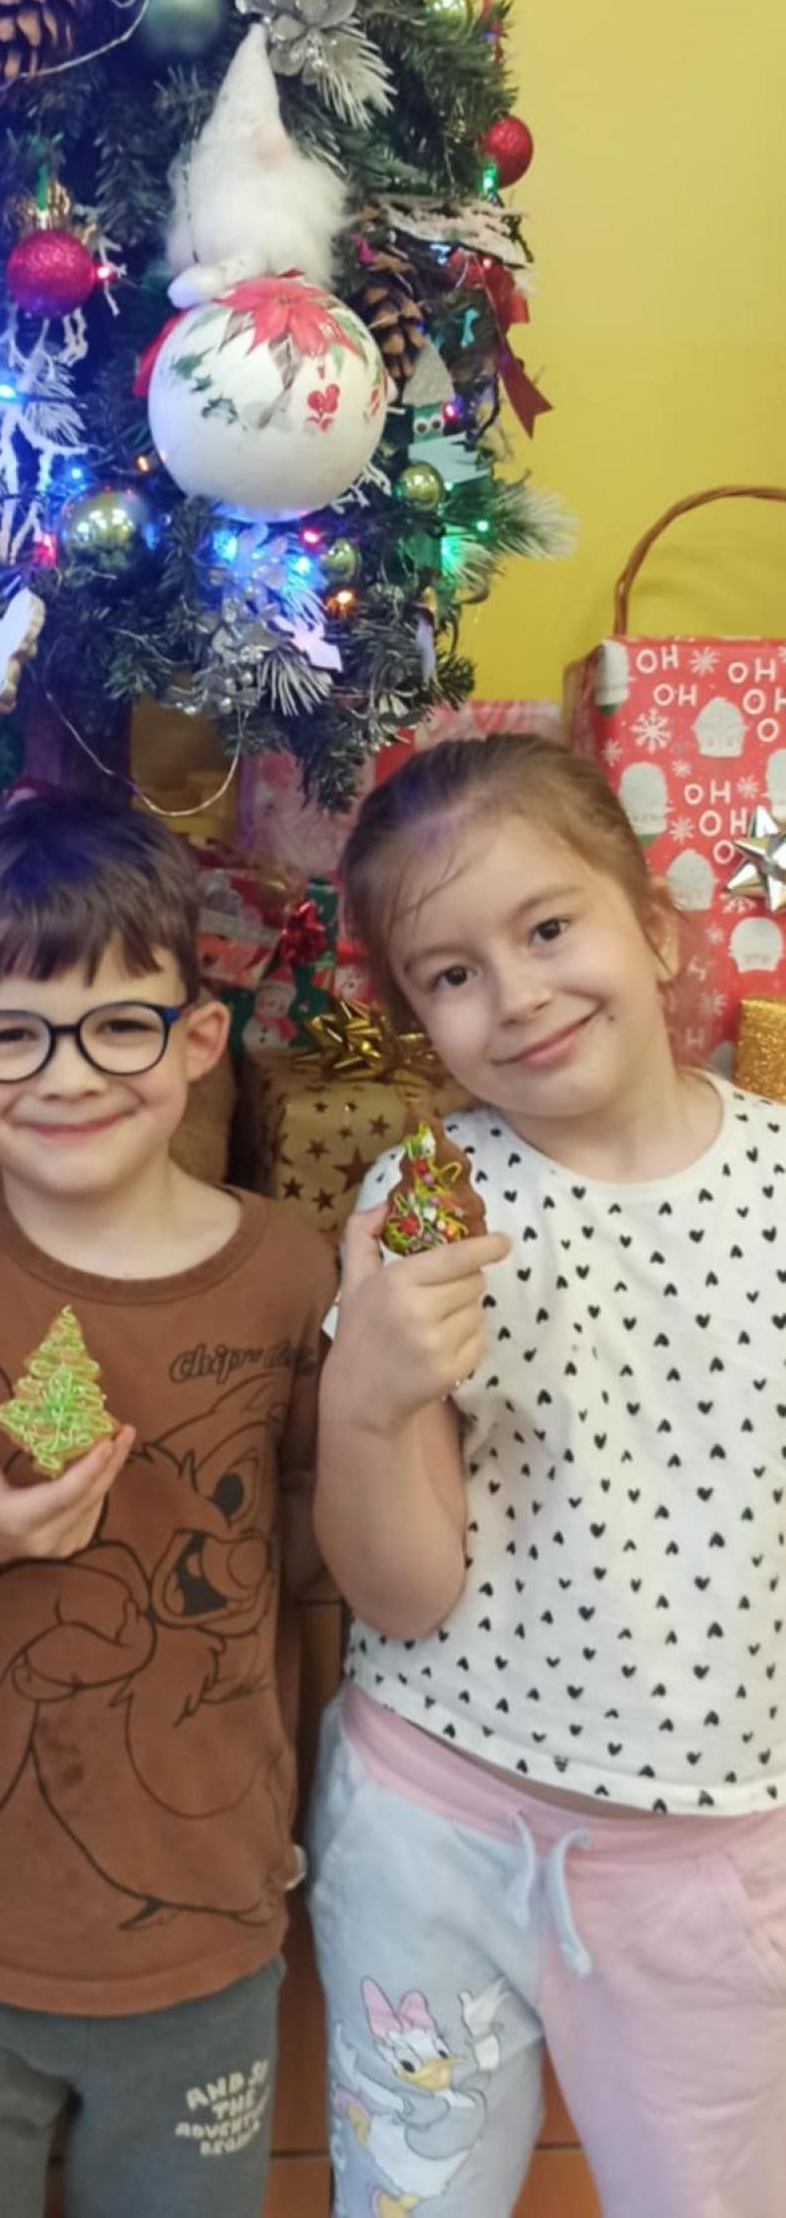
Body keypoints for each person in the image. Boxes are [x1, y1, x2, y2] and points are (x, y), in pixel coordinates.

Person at [0, 796, 336, 2218]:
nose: (68, 1074)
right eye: (12, 1034)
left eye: (119, 1025)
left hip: (206, 1933)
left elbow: (320, 1569)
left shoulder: (292, 1273)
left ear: (200, 1037)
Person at [310, 734, 786, 2218]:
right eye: (451, 973)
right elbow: (402, 1589)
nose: (515, 995)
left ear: (655, 930)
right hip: (430, 1830)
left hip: (717, 1861)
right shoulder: (423, 1202)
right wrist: (368, 1394)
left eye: (549, 928)